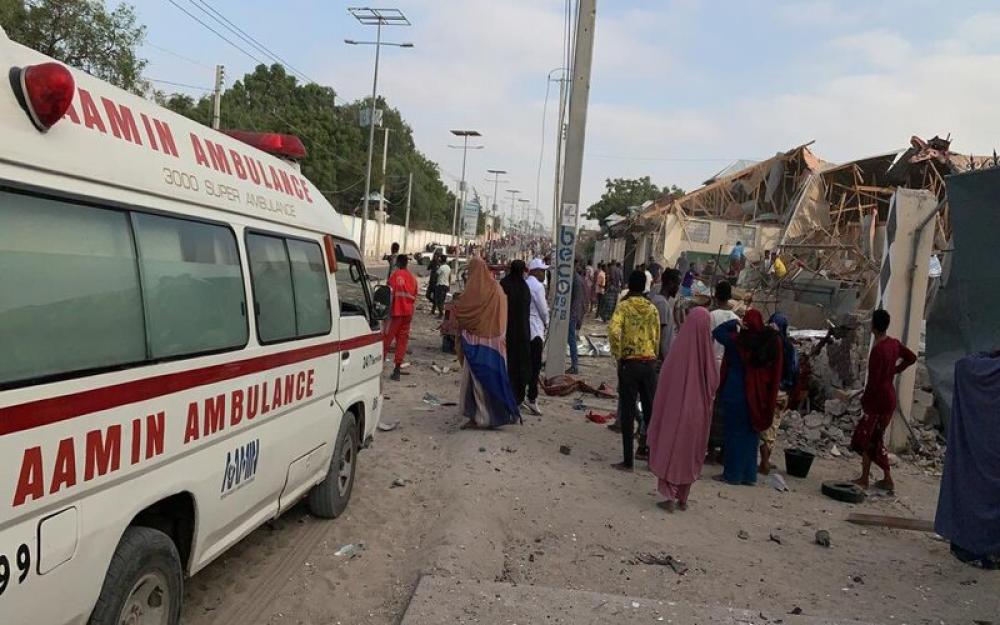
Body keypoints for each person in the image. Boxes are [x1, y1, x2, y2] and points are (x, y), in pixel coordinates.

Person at [647, 307, 720, 511]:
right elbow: (714, 381)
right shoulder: (708, 352)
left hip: (675, 409)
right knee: (690, 451)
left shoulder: (678, 350)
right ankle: (683, 498)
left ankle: (669, 496)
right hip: (699, 413)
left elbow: (664, 382)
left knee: (672, 447)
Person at [712, 309, 782, 485]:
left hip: (736, 392)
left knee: (733, 435)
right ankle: (749, 475)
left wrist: (734, 323)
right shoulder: (765, 344)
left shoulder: (737, 341)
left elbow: (717, 332)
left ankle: (732, 474)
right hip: (756, 396)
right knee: (751, 435)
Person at [849, 309, 916, 493]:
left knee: (869, 439)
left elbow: (873, 382)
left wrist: (865, 401)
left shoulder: (878, 350)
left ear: (873, 327)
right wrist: (895, 370)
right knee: (873, 439)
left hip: (878, 401)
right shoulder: (893, 344)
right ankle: (881, 477)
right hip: (889, 397)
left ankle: (870, 478)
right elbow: (912, 357)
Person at [454, 257, 521, 430]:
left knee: (473, 383)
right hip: (496, 343)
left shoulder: (474, 292)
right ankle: (486, 417)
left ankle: (479, 418)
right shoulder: (497, 289)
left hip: (476, 343)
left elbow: (462, 312)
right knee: (492, 379)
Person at [608, 270, 660, 471]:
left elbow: (613, 331)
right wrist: (653, 355)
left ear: (629, 285)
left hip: (629, 363)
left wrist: (619, 354)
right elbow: (656, 336)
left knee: (628, 412)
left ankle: (628, 460)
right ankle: (653, 458)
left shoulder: (624, 307)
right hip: (648, 364)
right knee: (650, 412)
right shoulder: (652, 308)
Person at [759, 313, 798, 474]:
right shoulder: (790, 347)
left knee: (764, 425)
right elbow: (795, 371)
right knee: (773, 426)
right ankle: (766, 460)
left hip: (770, 390)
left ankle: (764, 462)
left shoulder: (768, 344)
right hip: (783, 392)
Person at [500, 259, 531, 406]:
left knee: (508, 363)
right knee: (521, 363)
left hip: (507, 330)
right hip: (522, 331)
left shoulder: (504, 285)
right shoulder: (524, 287)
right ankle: (518, 396)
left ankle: (506, 392)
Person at [383, 254, 418, 381]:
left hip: (395, 314)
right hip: (407, 315)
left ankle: (378, 368)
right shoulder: (413, 279)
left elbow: (387, 294)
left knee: (386, 340)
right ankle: (397, 370)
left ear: (398, 263)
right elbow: (414, 296)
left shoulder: (396, 276)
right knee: (402, 342)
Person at [525, 258, 549, 415]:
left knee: (523, 364)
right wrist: (547, 321)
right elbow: (542, 309)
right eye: (542, 271)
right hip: (536, 330)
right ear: (535, 271)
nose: (544, 273)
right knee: (535, 367)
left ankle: (520, 395)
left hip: (524, 328)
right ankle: (532, 398)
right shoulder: (538, 286)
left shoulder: (525, 283)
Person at [648, 269, 681, 363]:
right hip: (660, 361)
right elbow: (659, 336)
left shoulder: (659, 300)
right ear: (670, 283)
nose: (678, 288)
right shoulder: (662, 304)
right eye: (677, 284)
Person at [709, 281, 740, 370]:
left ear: (716, 295)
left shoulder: (711, 315)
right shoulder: (736, 319)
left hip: (712, 361)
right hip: (728, 364)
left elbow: (708, 340)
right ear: (729, 297)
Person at [567, 263, 586, 374]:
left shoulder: (576, 280)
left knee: (571, 340)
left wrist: (572, 316)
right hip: (570, 314)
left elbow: (577, 301)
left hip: (571, 315)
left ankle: (575, 365)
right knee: (567, 340)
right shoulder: (573, 278)